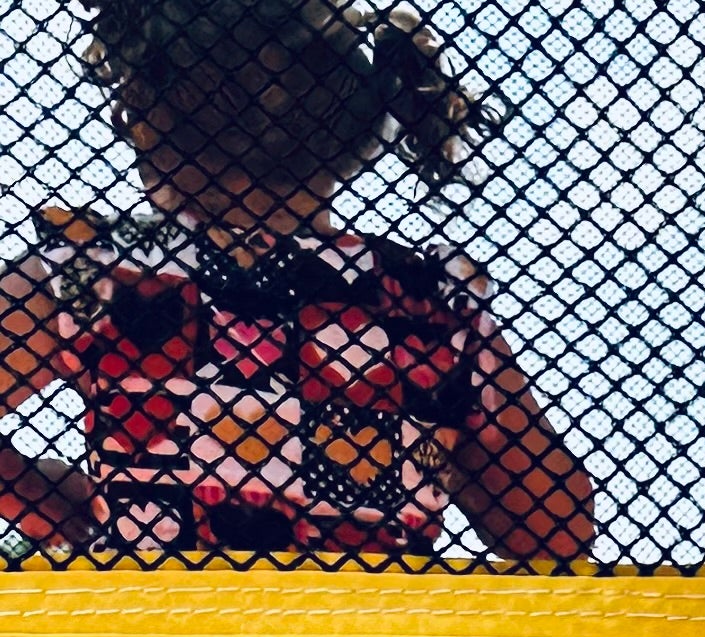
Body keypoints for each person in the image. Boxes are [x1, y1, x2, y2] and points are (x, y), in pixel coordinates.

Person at [0, 0, 590, 563]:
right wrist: (433, 431)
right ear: (354, 137)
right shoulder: (427, 302)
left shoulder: (103, 272)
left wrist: (42, 501)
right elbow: (556, 530)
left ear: (148, 126)